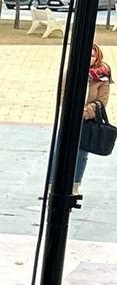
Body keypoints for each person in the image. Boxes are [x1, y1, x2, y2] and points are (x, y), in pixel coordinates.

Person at [72, 42, 110, 197]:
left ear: (97, 57)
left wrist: (86, 112)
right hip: (70, 118)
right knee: (58, 149)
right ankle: (52, 183)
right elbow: (63, 94)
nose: (90, 59)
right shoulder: (73, 71)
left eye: (93, 56)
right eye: (88, 55)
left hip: (86, 120)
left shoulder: (103, 78)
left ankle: (75, 184)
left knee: (81, 153)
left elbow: (102, 102)